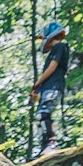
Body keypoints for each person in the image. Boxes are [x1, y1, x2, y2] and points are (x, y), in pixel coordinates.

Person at [31, 21, 72, 153]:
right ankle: (44, 147)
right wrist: (37, 90)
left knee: (44, 113)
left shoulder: (60, 46)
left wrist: (37, 82)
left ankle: (52, 144)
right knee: (41, 116)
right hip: (48, 88)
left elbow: (52, 67)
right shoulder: (55, 49)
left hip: (54, 87)